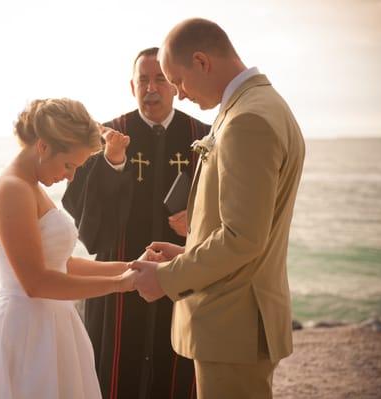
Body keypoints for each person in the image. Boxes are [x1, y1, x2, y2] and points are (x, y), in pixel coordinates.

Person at [131, 18, 306, 398]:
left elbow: (242, 238)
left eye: (177, 81)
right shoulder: (260, 105)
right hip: (237, 321)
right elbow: (249, 229)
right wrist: (188, 250)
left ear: (202, 61)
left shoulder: (248, 120)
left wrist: (165, 278)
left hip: (233, 323)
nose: (179, 93)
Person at [0, 98, 138, 399]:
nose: (71, 177)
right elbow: (35, 282)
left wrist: (129, 267)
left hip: (53, 324)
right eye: (69, 165)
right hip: (27, 330)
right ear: (43, 146)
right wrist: (118, 285)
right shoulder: (13, 190)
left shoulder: (30, 186)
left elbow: (61, 264)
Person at [62, 47, 211, 399]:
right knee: (113, 376)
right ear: (132, 86)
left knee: (175, 373)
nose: (151, 88)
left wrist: (196, 221)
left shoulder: (203, 138)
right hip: (119, 278)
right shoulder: (107, 136)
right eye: (143, 80)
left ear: (175, 85)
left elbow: (229, 209)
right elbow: (83, 216)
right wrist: (113, 164)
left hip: (179, 276)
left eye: (160, 79)